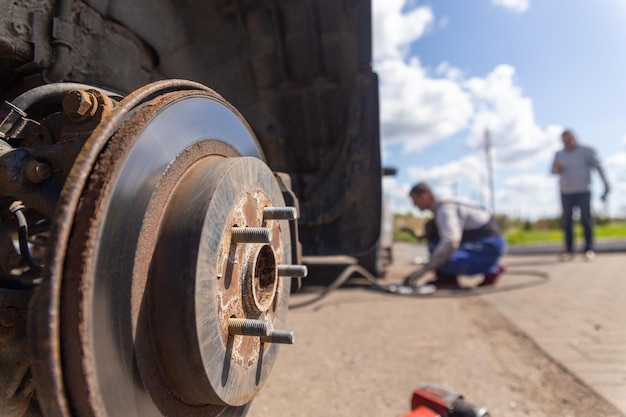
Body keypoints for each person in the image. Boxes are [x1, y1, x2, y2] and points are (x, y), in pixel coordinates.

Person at [403, 182, 506, 289]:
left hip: (489, 246)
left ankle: (491, 268)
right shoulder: (442, 207)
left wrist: (426, 269)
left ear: (425, 196)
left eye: (415, 200)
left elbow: (451, 241)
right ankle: (448, 276)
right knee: (434, 235)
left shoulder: (446, 209)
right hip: (479, 242)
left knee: (443, 258)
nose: (414, 205)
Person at [551, 129, 610, 262]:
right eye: (564, 141)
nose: (567, 143)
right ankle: (569, 251)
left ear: (575, 138)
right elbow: (553, 170)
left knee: (586, 220)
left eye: (569, 140)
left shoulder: (586, 151)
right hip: (565, 192)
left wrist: (605, 183)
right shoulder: (559, 154)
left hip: (583, 190)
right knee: (567, 222)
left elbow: (598, 166)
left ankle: (589, 249)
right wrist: (557, 169)